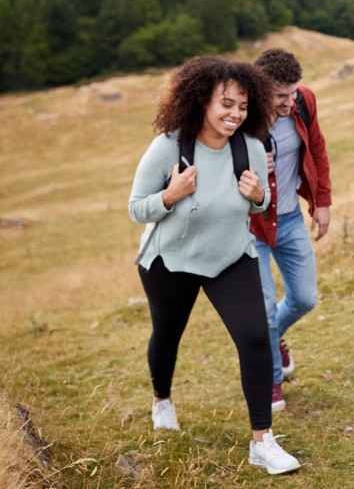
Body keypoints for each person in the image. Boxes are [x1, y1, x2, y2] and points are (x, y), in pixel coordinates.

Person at [128, 56, 300, 475]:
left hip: (230, 257)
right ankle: (162, 399)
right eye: (226, 104)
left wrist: (259, 195)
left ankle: (262, 441)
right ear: (201, 101)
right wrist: (170, 195)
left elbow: (259, 205)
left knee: (256, 338)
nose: (235, 113)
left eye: (242, 106)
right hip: (171, 259)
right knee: (167, 335)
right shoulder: (169, 147)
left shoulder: (252, 148)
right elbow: (136, 209)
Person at [250, 48, 332, 413]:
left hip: (290, 218)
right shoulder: (243, 119)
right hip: (250, 227)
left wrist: (322, 201)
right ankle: (270, 380)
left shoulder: (303, 103)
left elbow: (316, 147)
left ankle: (274, 338)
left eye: (293, 92)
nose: (289, 101)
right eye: (280, 96)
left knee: (304, 298)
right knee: (264, 310)